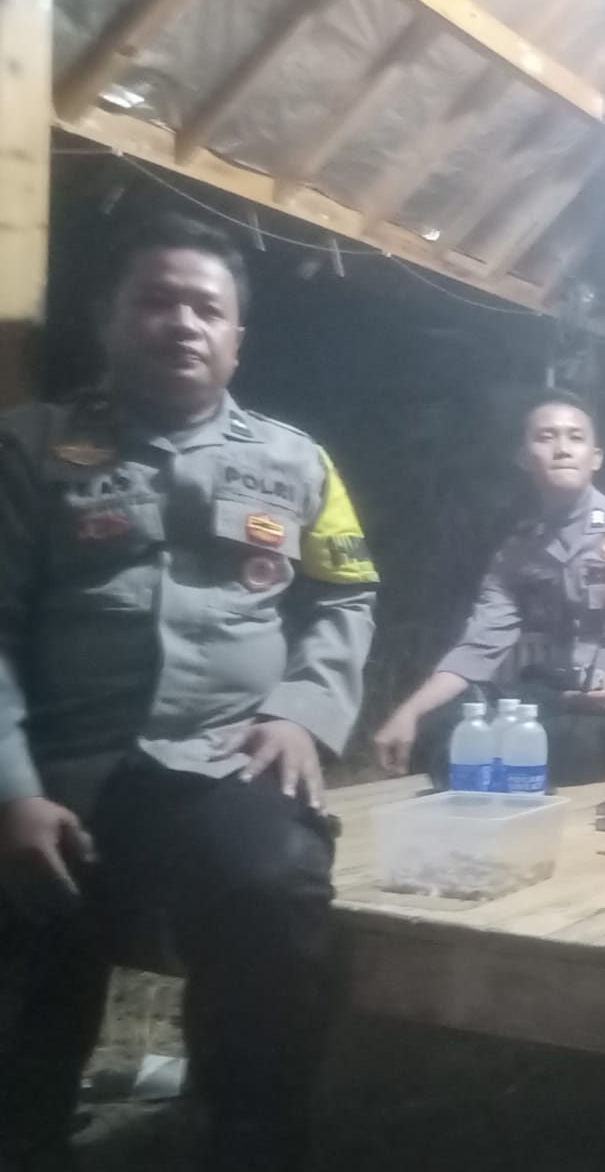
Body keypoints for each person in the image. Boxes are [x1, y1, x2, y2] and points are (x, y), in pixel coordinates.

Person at [0, 214, 379, 1172]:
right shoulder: (28, 448)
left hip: (218, 761)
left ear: (236, 337)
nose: (182, 323)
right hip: (56, 767)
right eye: (157, 301)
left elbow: (347, 594)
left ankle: (255, 1139)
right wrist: (12, 791)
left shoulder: (297, 461)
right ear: (109, 318)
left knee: (273, 883)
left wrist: (303, 711)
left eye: (207, 309)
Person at [373, 390, 605, 786]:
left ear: (595, 457)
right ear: (524, 458)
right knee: (436, 727)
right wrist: (408, 712)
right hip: (556, 698)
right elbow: (480, 645)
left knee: (535, 748)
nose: (562, 449)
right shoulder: (519, 550)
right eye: (546, 437)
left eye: (576, 437)